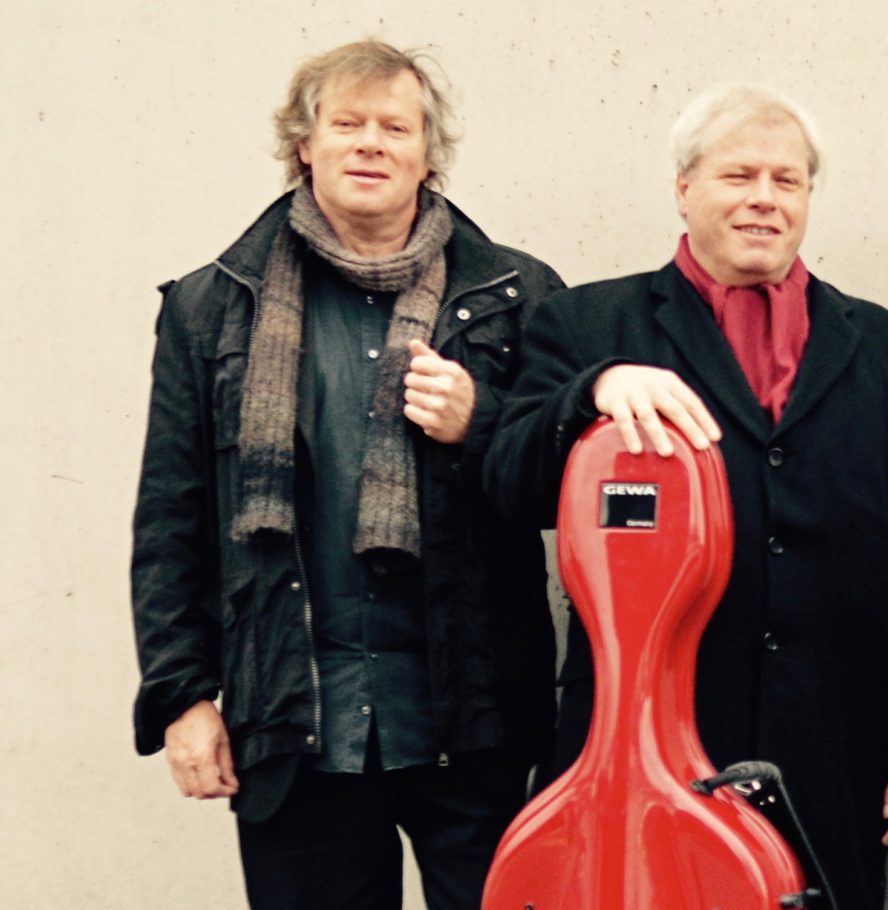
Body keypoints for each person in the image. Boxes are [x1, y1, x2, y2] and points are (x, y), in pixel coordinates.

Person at [482, 84, 888, 910]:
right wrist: (591, 392)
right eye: (738, 176)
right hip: (639, 751)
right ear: (684, 188)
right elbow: (507, 485)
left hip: (835, 754)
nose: (763, 199)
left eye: (787, 181)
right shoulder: (586, 327)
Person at [129, 39, 564, 909]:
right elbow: (173, 517)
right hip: (296, 717)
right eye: (347, 124)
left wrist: (480, 425)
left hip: (475, 719)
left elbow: (568, 493)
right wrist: (181, 698)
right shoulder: (213, 304)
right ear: (305, 145)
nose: (371, 144)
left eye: (395, 127)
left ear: (428, 154)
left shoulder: (521, 296)